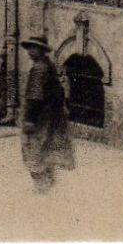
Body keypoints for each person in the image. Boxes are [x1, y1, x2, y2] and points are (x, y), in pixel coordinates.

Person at [19, 35, 75, 192]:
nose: (30, 51)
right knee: (47, 151)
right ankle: (48, 185)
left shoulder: (39, 69)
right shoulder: (47, 65)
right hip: (51, 117)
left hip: (40, 119)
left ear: (42, 50)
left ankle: (42, 187)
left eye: (34, 48)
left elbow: (34, 97)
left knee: (34, 152)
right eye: (29, 47)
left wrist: (30, 120)